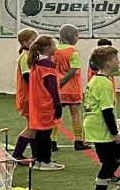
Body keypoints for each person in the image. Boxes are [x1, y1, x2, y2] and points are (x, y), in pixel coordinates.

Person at [83, 45, 120, 190]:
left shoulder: (98, 79)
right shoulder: (104, 83)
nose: (118, 62)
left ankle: (109, 174)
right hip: (100, 127)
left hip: (94, 125)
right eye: (115, 60)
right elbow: (106, 110)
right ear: (108, 64)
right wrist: (115, 132)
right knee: (114, 155)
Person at [27, 34, 64, 171]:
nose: (56, 48)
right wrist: (57, 103)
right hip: (46, 103)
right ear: (47, 48)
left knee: (40, 133)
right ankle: (46, 161)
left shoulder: (35, 64)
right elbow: (52, 87)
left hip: (37, 102)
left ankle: (39, 160)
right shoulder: (47, 65)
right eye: (54, 46)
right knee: (45, 133)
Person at [53, 25, 90, 151]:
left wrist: (58, 84)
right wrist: (63, 82)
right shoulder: (73, 52)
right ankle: (78, 141)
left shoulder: (54, 50)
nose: (77, 38)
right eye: (76, 36)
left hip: (57, 88)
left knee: (56, 115)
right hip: (72, 88)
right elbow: (73, 70)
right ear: (70, 36)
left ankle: (53, 142)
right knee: (75, 114)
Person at [10, 29, 38, 160]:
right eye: (33, 40)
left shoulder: (28, 56)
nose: (36, 43)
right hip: (28, 96)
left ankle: (35, 155)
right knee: (32, 126)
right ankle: (16, 154)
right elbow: (28, 77)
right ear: (25, 42)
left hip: (29, 96)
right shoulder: (26, 57)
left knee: (34, 126)